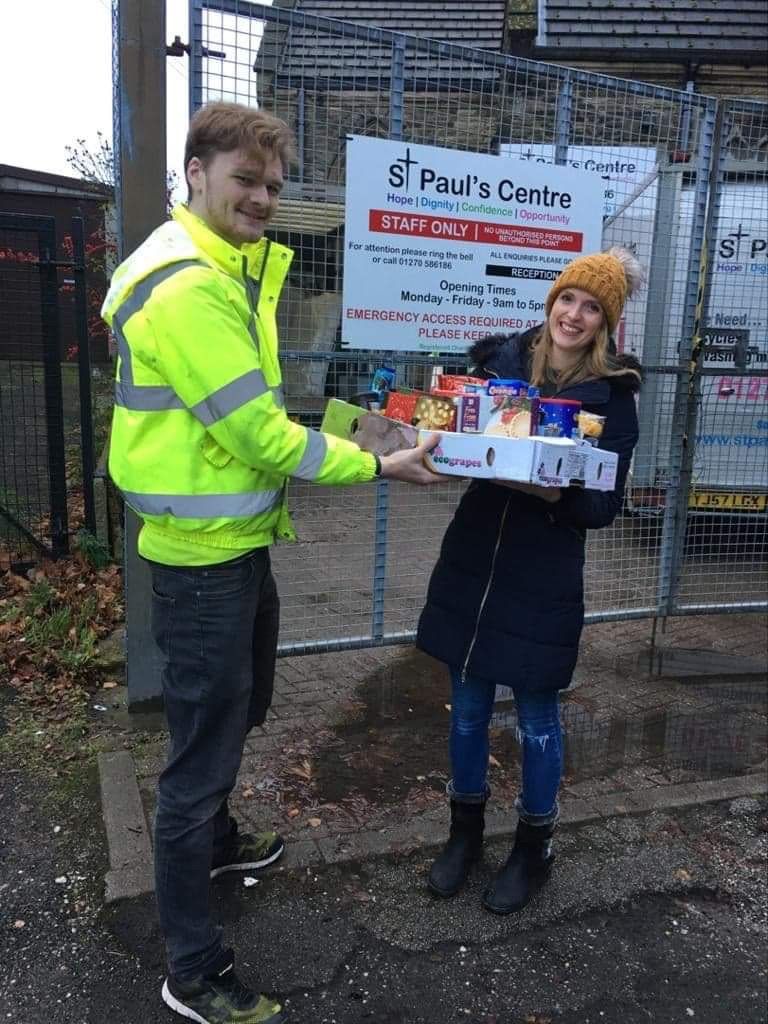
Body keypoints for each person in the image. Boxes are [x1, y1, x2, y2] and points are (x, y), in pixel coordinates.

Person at [101, 101, 440, 1024]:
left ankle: (213, 842)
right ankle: (192, 964)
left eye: (274, 187)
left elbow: (265, 401)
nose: (261, 198)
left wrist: (362, 423)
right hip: (205, 559)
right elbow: (254, 433)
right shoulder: (191, 286)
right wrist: (376, 463)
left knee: (236, 710)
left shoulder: (224, 270)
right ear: (196, 171)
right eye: (246, 179)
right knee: (200, 754)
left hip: (233, 548)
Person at [417, 247, 643, 915]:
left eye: (592, 307)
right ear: (553, 301)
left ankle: (532, 847)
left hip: (543, 570)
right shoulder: (498, 366)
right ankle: (464, 835)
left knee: (538, 720)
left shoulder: (613, 396)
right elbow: (447, 431)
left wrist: (552, 490)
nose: (575, 314)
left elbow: (603, 506)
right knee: (468, 712)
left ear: (606, 322)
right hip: (475, 554)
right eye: (569, 299)